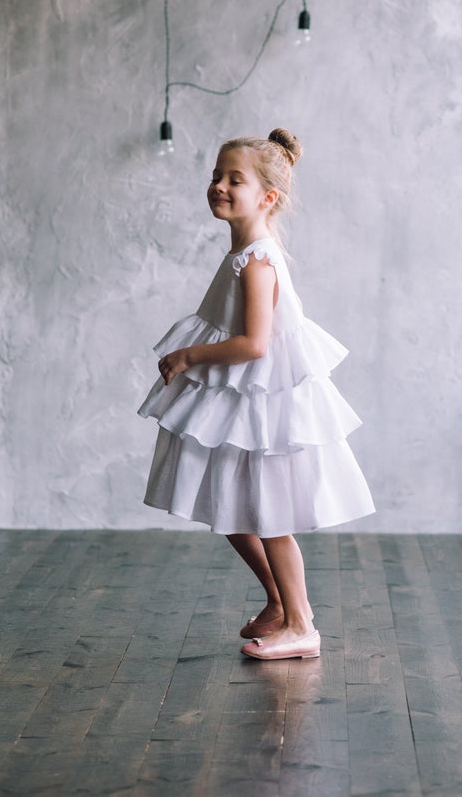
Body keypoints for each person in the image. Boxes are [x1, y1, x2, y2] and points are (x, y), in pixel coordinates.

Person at [138, 128, 374, 660]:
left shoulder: (259, 262)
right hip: (244, 401)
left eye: (233, 180)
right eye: (215, 176)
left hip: (266, 404)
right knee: (232, 507)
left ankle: (301, 625)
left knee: (269, 517)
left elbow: (254, 344)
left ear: (267, 197)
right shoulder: (243, 254)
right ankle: (278, 604)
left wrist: (189, 356)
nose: (218, 186)